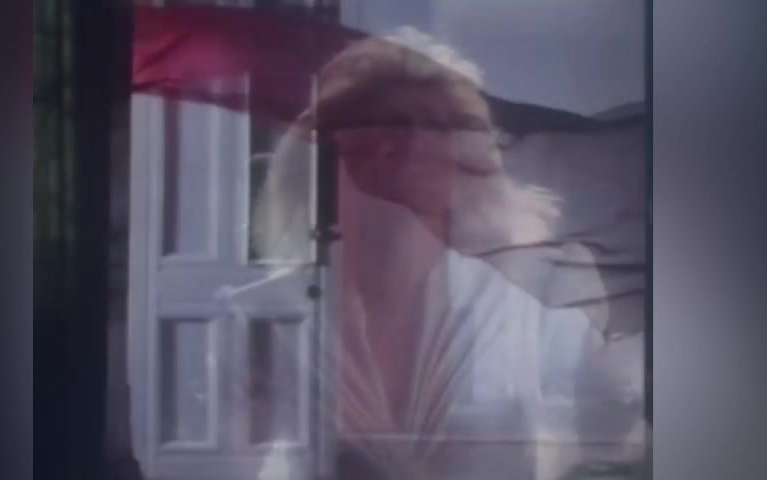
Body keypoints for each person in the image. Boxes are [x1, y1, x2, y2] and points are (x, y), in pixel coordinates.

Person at [252, 27, 642, 480]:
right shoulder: (266, 318)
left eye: (425, 131)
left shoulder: (550, 302)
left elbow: (613, 439)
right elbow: (248, 459)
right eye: (364, 136)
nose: (394, 158)